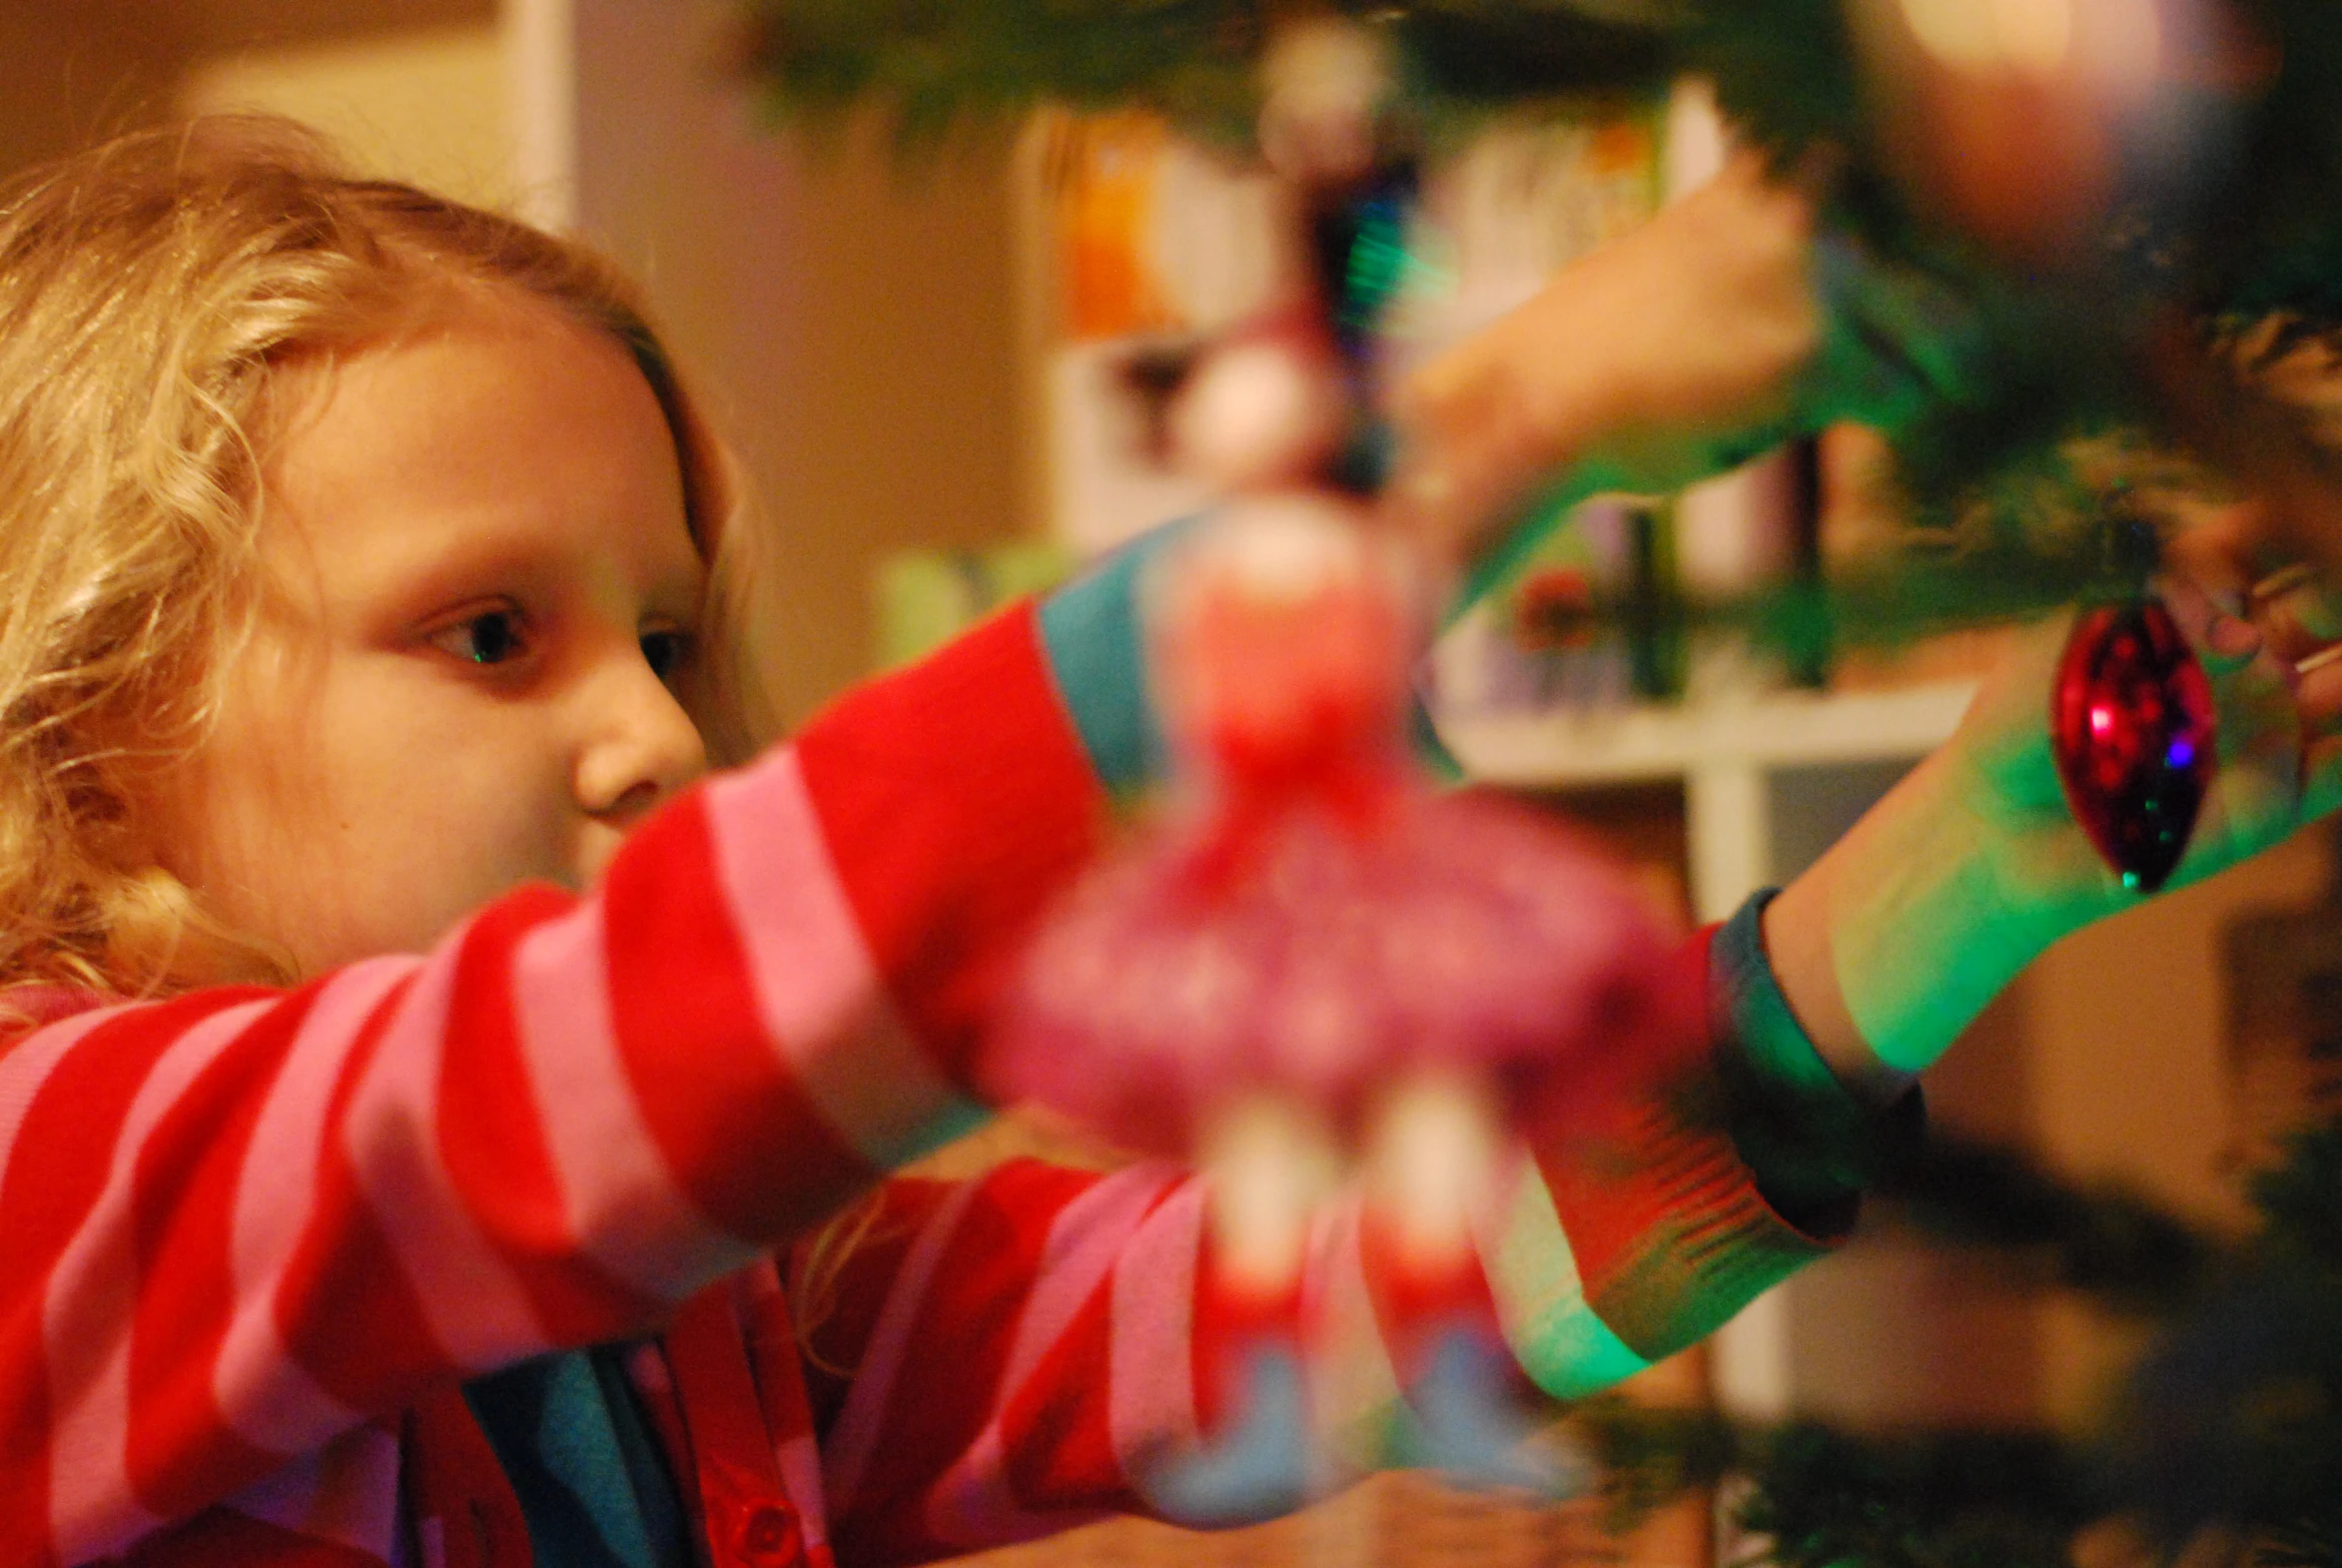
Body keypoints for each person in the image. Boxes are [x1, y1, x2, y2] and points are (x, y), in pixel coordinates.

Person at [0, 117, 2331, 1568]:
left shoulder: (716, 1325)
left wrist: (1977, 854)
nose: (655, 734)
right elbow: (584, 1071)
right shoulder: (50, 1193)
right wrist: (1506, 421)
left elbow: (1337, 1290)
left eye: (680, 640)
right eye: (492, 633)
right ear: (90, 722)